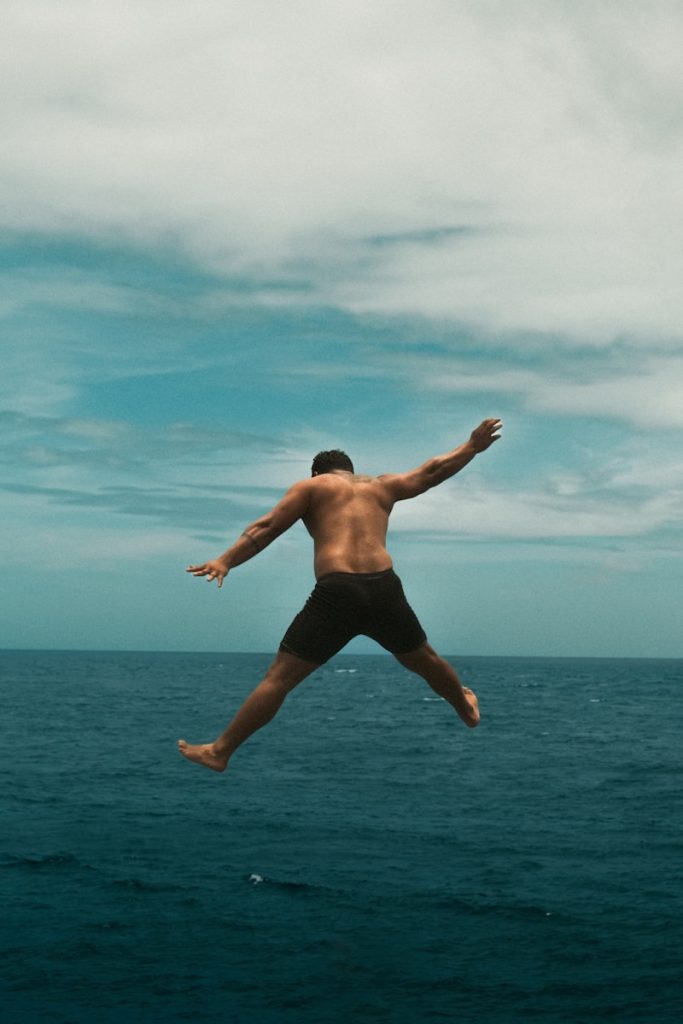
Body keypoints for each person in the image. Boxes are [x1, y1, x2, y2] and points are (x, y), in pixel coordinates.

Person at [179, 418, 502, 772]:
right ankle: (465, 706)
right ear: (351, 471)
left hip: (338, 591)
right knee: (424, 659)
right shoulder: (381, 486)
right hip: (383, 587)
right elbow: (431, 471)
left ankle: (220, 751)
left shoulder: (312, 487)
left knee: (279, 679)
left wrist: (226, 561)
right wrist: (471, 447)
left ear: (319, 473)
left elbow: (267, 527)